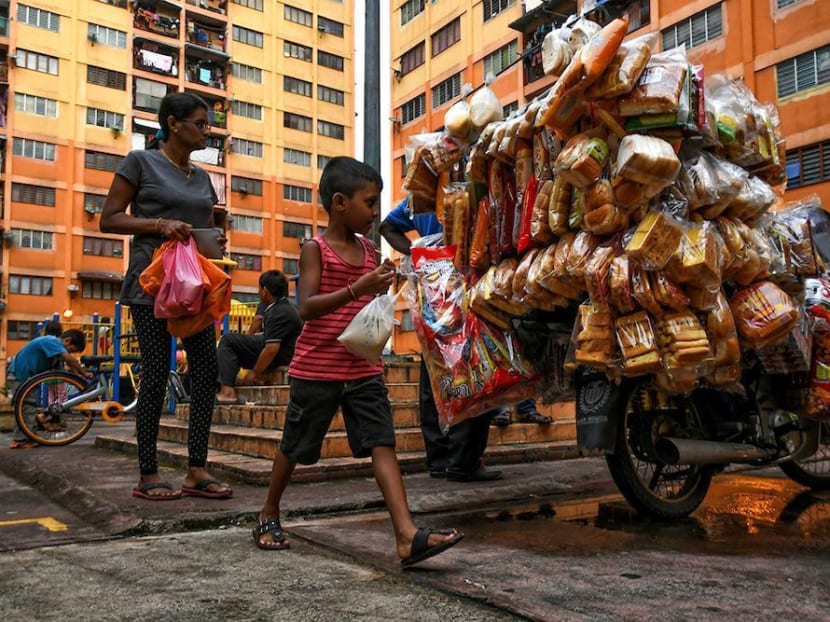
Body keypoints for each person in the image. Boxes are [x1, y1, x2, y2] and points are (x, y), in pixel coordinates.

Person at [253, 157, 463, 568]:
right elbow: (307, 308)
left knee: (382, 442)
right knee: (294, 446)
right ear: (338, 203)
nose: (374, 212)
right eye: (369, 203)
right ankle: (267, 512)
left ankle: (406, 535)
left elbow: (367, 305)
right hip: (317, 369)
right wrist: (357, 288)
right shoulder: (316, 249)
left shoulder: (368, 249)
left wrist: (385, 283)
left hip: (363, 369)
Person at [100, 91, 232, 501]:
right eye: (199, 123)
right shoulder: (141, 161)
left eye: (207, 124)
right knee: (156, 373)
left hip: (194, 286)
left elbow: (203, 228)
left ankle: (196, 468)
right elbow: (110, 219)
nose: (206, 131)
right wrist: (160, 225)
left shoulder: (202, 177)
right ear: (173, 124)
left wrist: (216, 240)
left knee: (207, 370)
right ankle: (148, 472)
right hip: (152, 284)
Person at [379, 197, 507, 482]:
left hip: (432, 285)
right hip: (463, 283)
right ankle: (463, 461)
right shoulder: (470, 186)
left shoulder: (421, 191)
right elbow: (386, 227)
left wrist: (418, 252)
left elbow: (387, 226)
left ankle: (439, 458)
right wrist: (420, 250)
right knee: (471, 367)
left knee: (435, 368)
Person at [215, 270, 302, 404]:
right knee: (233, 348)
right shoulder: (288, 307)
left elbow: (271, 348)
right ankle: (225, 385)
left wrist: (255, 373)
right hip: (287, 352)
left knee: (228, 340)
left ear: (265, 290)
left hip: (282, 355)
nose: (258, 292)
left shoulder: (278, 311)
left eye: (259, 288)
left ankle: (227, 392)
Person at [8, 329, 91, 449]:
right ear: (67, 341)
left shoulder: (55, 355)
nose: (69, 353)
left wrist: (77, 378)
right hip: (19, 376)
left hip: (26, 378)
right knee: (26, 407)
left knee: (26, 407)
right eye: (70, 350)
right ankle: (21, 439)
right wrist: (84, 373)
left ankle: (25, 435)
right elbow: (69, 359)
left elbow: (63, 371)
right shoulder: (51, 341)